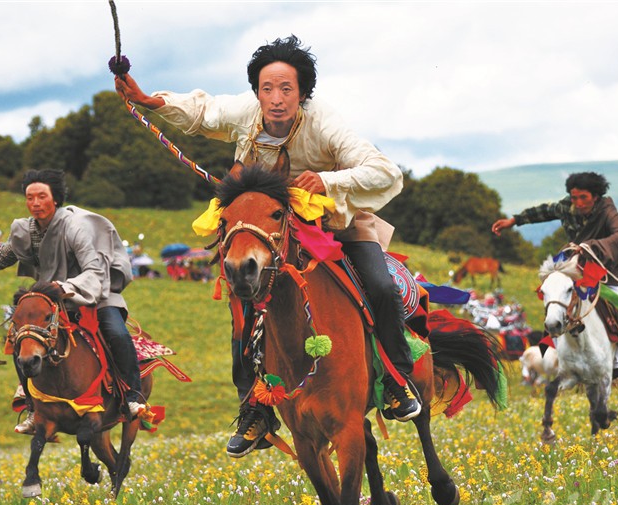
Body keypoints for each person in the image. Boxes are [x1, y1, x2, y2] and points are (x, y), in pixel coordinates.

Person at [115, 34, 421, 458]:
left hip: (335, 224)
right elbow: (203, 111)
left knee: (381, 286)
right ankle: (255, 409)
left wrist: (328, 180)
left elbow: (385, 172)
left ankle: (397, 381)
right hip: (272, 230)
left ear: (303, 92)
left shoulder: (325, 123)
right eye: (267, 88)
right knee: (242, 309)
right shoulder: (248, 113)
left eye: (286, 89)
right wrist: (151, 101)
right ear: (257, 92)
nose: (276, 99)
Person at [0, 169, 146, 434]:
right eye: (30, 198)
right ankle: (33, 408)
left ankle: (133, 397)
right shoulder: (27, 231)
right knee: (20, 337)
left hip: (93, 292)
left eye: (42, 197)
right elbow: (2, 256)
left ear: (55, 199)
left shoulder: (75, 228)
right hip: (52, 300)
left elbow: (94, 270)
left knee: (116, 332)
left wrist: (65, 287)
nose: (35, 203)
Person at [491, 171, 618, 380]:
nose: (578, 203)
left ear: (595, 196)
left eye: (583, 197)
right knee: (554, 303)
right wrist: (513, 221)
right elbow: (543, 211)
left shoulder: (607, 210)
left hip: (608, 270)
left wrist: (592, 246)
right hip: (574, 268)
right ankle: (563, 358)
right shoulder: (566, 207)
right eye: (574, 197)